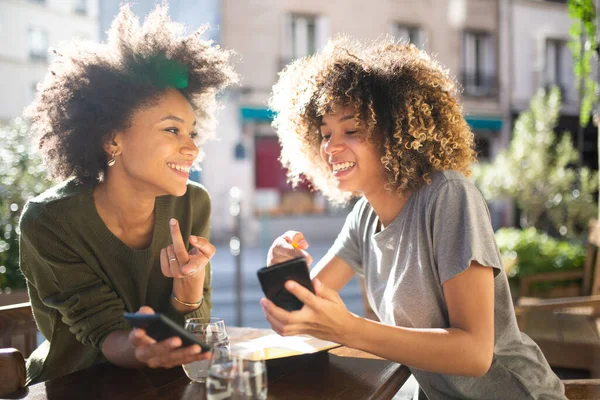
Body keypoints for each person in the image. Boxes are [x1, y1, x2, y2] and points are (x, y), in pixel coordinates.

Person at [262, 36, 566, 399]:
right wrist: (284, 275)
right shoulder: (363, 217)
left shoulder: (448, 197)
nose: (330, 146)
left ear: (393, 132)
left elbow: (475, 353)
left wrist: (348, 329)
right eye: (325, 134)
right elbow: (307, 314)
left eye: (352, 130)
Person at [19, 4, 237, 385]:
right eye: (172, 130)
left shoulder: (193, 202)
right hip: (75, 388)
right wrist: (142, 349)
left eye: (192, 133)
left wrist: (188, 293)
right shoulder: (50, 221)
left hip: (166, 385)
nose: (192, 149)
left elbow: (193, 338)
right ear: (113, 139)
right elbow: (101, 331)